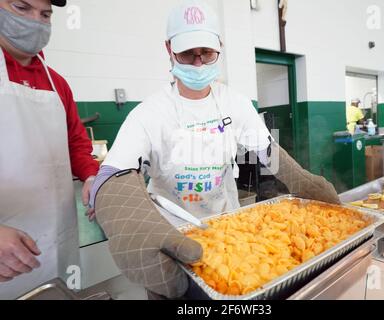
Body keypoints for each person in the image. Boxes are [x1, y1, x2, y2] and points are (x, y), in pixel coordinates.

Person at [89, 0, 340, 299]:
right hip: (168, 241)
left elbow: (267, 152)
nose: (198, 63)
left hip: (228, 234)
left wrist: (302, 180)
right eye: (187, 53)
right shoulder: (149, 114)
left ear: (219, 47)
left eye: (206, 53)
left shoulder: (236, 103)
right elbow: (114, 174)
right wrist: (128, 220)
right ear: (169, 49)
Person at [0, 0, 99, 299]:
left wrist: (93, 178)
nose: (36, 21)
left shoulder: (57, 84)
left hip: (57, 240)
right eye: (21, 8)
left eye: (45, 15)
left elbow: (77, 145)